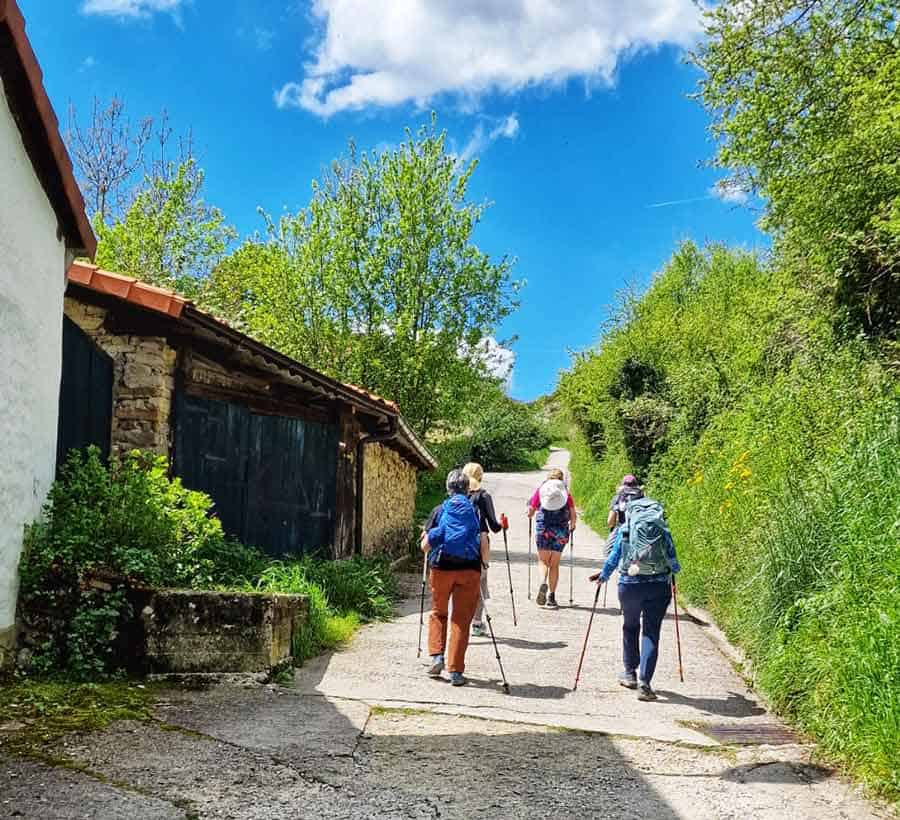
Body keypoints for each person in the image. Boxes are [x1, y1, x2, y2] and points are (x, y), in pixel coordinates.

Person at [590, 495, 681, 701]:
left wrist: (603, 576)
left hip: (630, 586)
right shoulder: (663, 530)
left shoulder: (625, 530)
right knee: (651, 632)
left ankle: (629, 673)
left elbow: (613, 558)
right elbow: (674, 562)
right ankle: (645, 684)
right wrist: (670, 572)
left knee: (630, 626)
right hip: (658, 586)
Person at [420, 469, 487, 686]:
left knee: (439, 613)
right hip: (469, 569)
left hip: (441, 568)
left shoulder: (440, 510)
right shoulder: (474, 511)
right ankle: (456, 671)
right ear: (468, 489)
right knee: (461, 620)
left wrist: (428, 540)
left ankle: (437, 657)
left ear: (448, 489)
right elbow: (483, 540)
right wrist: (483, 565)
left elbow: (425, 545)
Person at [526, 468, 577, 609]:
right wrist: (572, 525)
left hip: (544, 529)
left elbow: (530, 511)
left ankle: (543, 581)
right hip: (560, 531)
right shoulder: (566, 493)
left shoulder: (541, 490)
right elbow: (573, 513)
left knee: (543, 561)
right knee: (554, 564)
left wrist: (529, 514)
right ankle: (552, 597)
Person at [462, 462, 502, 637]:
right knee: (479, 581)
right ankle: (477, 624)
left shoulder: (457, 494)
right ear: (480, 476)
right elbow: (493, 526)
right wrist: (502, 525)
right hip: (480, 542)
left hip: (458, 542)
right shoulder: (483, 495)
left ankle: (460, 621)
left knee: (460, 581)